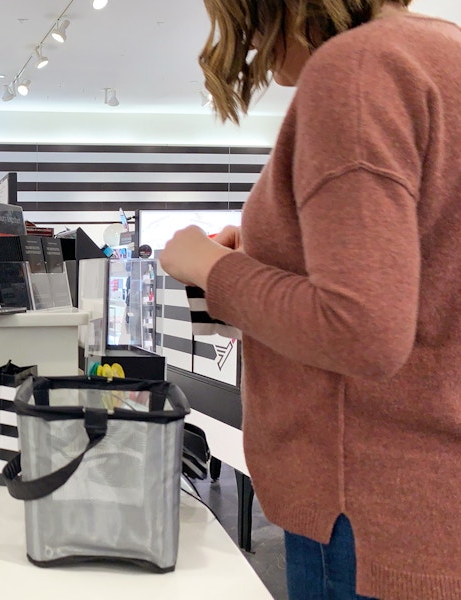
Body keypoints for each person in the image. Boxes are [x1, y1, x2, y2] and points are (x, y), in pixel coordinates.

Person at [159, 2, 460, 599]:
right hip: (428, 502)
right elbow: (424, 277)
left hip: (362, 513)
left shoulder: (357, 70)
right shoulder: (442, 54)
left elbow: (363, 331)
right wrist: (275, 260)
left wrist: (210, 267)